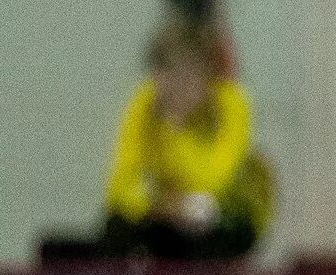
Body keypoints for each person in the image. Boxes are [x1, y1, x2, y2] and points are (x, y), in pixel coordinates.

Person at [100, 16, 270, 262]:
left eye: (186, 76)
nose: (174, 86)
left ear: (208, 78)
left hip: (222, 218)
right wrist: (160, 205)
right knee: (117, 227)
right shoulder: (144, 102)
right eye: (165, 73)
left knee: (218, 226)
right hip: (167, 216)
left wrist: (176, 131)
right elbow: (119, 187)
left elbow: (216, 178)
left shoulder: (232, 104)